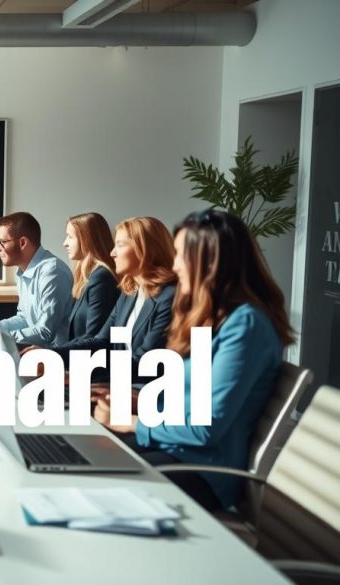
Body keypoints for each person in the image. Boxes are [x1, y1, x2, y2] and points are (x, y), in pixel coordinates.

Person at [93, 209, 293, 512]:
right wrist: (138, 400)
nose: (174, 266)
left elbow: (204, 427)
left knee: (86, 474)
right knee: (76, 453)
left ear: (209, 264)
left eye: (180, 256)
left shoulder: (245, 325)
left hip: (199, 473)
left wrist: (133, 422)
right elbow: (188, 401)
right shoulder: (213, 319)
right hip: (171, 451)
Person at [47, 216, 177, 381]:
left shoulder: (169, 297)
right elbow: (101, 342)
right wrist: (51, 356)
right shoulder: (129, 293)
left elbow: (145, 363)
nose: (112, 253)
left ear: (145, 250)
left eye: (120, 245)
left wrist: (79, 376)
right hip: (119, 385)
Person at [0, 212, 73, 346]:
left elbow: (45, 332)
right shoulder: (23, 271)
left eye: (2, 242)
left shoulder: (53, 273)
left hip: (55, 360)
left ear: (23, 243)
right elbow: (24, 319)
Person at [62, 212, 118, 341]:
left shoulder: (102, 278)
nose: (65, 243)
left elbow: (93, 335)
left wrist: (53, 352)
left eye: (70, 237)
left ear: (87, 240)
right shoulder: (87, 276)